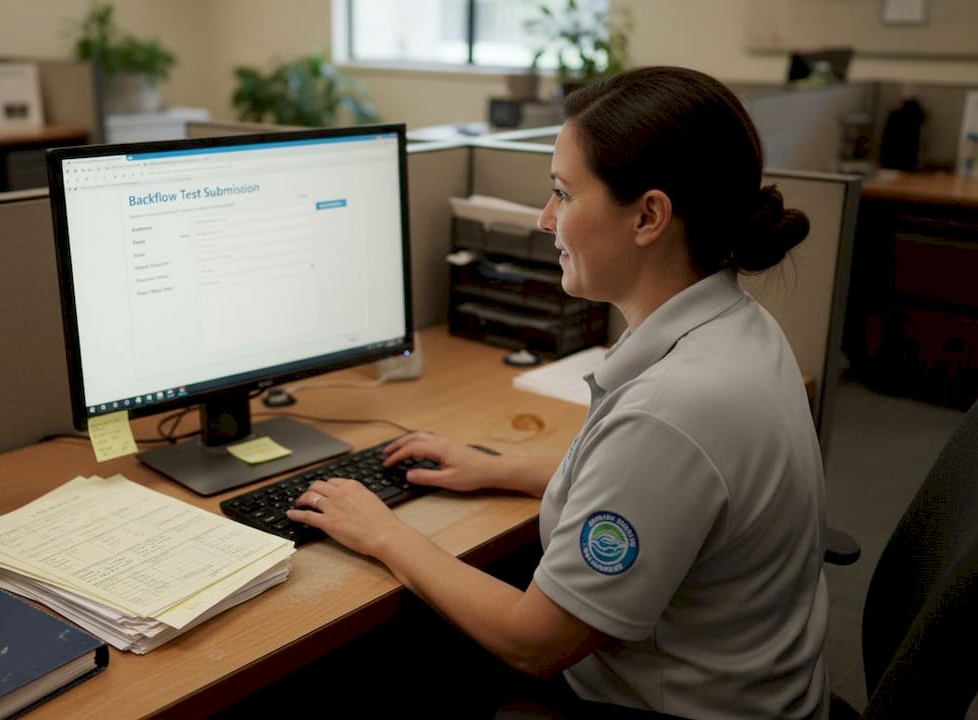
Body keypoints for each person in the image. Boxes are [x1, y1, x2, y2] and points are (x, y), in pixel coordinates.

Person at [287, 65, 828, 720]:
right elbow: (666, 491)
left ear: (649, 216)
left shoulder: (673, 410)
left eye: (563, 195)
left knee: (361, 668)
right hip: (747, 684)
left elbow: (532, 643)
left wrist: (380, 531)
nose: (547, 220)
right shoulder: (737, 325)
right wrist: (500, 468)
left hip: (668, 708)